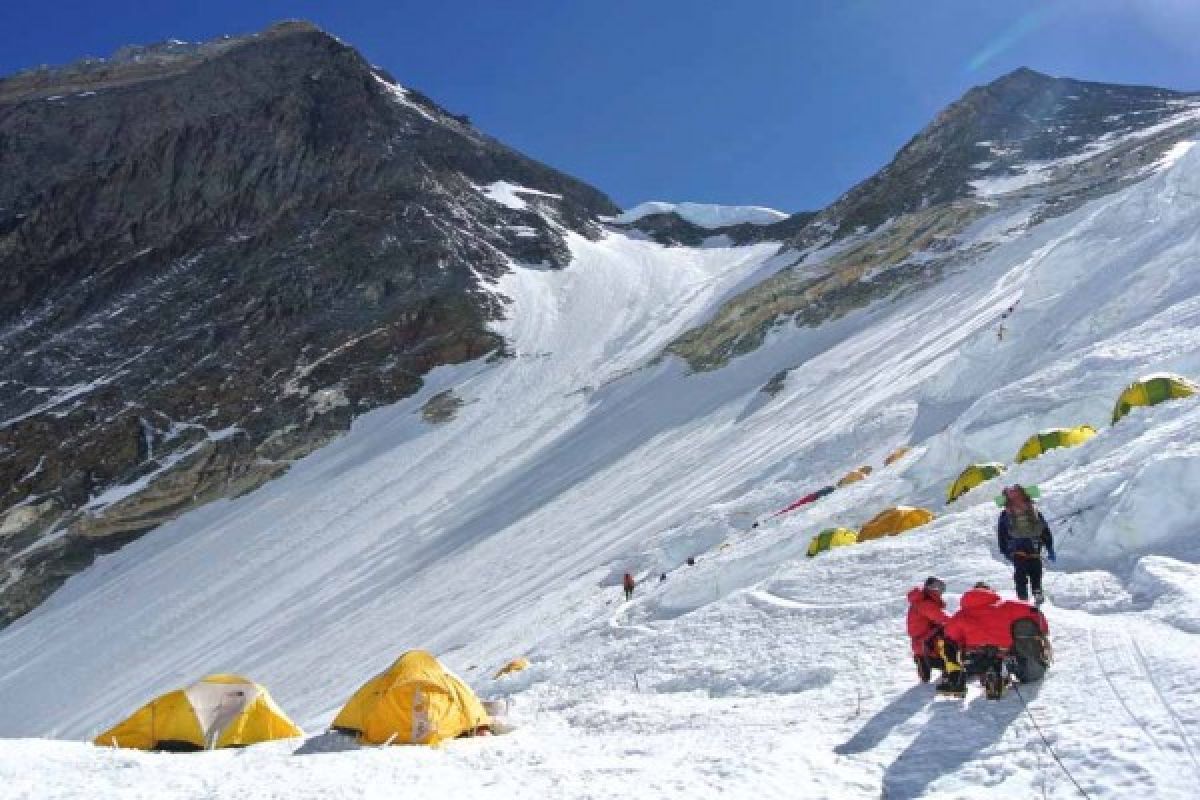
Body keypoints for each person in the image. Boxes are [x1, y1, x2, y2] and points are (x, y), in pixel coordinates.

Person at [936, 581, 1050, 697]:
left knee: (948, 642)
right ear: (990, 592)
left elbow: (950, 636)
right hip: (1005, 653)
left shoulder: (961, 614)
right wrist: (1043, 631)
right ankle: (1001, 672)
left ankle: (956, 676)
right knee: (1022, 627)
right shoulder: (1008, 605)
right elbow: (1034, 611)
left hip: (974, 658)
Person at [997, 485, 1056, 605]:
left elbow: (1002, 534)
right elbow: (1044, 529)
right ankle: (1037, 590)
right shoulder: (1032, 509)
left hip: (1017, 548)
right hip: (1034, 545)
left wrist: (1005, 551)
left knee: (1020, 575)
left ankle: (1022, 599)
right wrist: (1049, 548)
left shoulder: (1005, 513)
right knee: (1035, 570)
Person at [906, 576, 951, 683]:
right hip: (925, 640)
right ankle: (946, 666)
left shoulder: (923, 601)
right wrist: (956, 622)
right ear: (929, 587)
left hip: (923, 639)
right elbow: (941, 618)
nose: (939, 590)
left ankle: (924, 662)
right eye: (936, 586)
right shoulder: (925, 604)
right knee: (949, 640)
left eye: (941, 587)